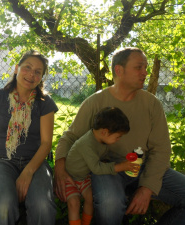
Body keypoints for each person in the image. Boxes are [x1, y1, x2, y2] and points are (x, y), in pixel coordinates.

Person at [54, 47, 185, 225]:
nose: (145, 73)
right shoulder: (96, 102)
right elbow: (69, 137)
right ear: (119, 70)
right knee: (110, 204)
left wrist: (147, 187)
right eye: (139, 67)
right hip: (108, 169)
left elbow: (161, 149)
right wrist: (60, 170)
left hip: (144, 166)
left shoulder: (151, 104)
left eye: (145, 67)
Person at [0, 50, 58, 225]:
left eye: (38, 71)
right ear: (17, 69)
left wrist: (28, 172)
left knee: (42, 205)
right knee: (4, 205)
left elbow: (46, 143)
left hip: (35, 163)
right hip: (2, 161)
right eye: (27, 67)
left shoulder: (45, 103)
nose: (31, 74)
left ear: (41, 77)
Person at [65, 106, 139, 225]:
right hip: (70, 177)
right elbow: (96, 168)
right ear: (104, 132)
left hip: (83, 177)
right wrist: (120, 167)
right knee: (74, 203)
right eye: (118, 136)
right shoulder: (86, 144)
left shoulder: (100, 140)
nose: (118, 139)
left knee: (90, 198)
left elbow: (102, 157)